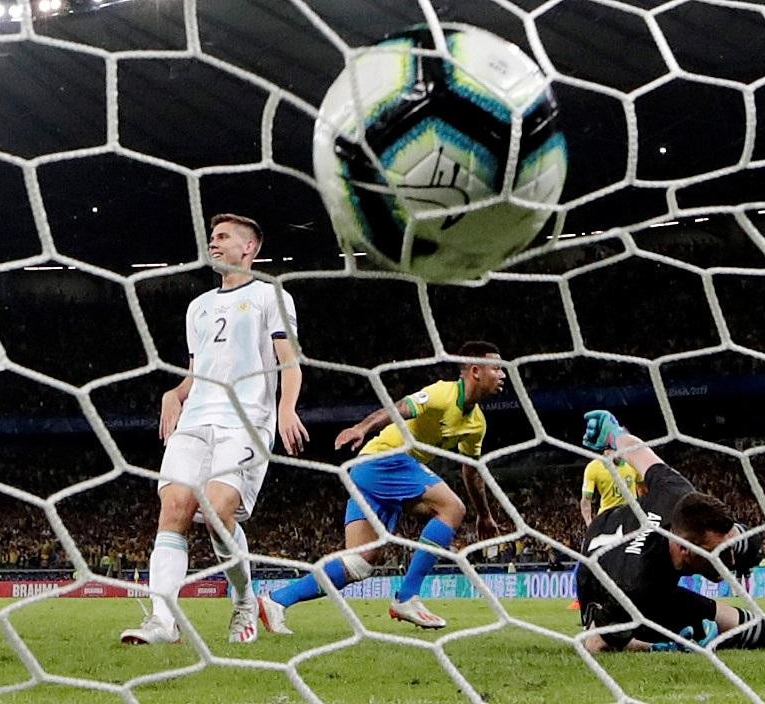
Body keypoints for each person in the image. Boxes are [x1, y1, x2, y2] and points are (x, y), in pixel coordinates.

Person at [120, 213, 308, 645]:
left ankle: (244, 600)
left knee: (218, 513)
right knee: (175, 508)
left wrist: (286, 407)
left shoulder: (269, 295)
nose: (215, 243)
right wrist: (175, 393)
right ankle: (162, 621)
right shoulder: (198, 307)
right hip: (196, 419)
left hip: (245, 421)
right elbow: (197, 372)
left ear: (250, 248)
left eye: (224, 237)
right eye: (212, 237)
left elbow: (289, 359)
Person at [258, 341, 504, 632]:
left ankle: (275, 601)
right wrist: (361, 428)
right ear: (475, 371)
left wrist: (485, 514)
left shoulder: (476, 424)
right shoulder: (442, 394)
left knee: (359, 564)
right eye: (497, 368)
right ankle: (407, 597)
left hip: (375, 473)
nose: (503, 374)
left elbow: (471, 470)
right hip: (384, 459)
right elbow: (398, 408)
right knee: (451, 508)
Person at [577, 410, 765, 653]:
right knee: (628, 631)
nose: (729, 562)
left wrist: (613, 434)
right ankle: (675, 636)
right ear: (685, 551)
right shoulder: (635, 585)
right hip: (598, 578)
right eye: (720, 554)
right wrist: (662, 647)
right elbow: (595, 643)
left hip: (618, 530)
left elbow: (638, 451)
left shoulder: (678, 494)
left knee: (759, 632)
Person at [580, 450, 643, 526]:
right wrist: (589, 523)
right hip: (607, 516)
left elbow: (642, 489)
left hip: (631, 515)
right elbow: (586, 500)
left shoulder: (632, 463)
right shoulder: (593, 467)